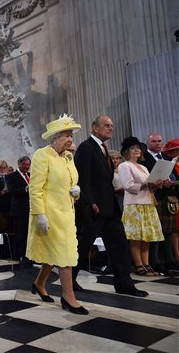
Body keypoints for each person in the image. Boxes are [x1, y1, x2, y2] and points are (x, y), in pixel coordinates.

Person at [73, 115, 148, 297]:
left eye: (112, 125)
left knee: (120, 245)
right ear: (95, 127)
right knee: (83, 246)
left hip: (110, 208)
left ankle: (124, 284)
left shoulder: (103, 149)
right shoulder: (86, 147)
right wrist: (90, 202)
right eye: (106, 125)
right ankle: (69, 280)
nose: (110, 128)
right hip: (95, 207)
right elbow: (82, 178)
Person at [27, 115, 88, 315]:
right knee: (65, 255)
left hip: (67, 214)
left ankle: (38, 283)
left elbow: (70, 182)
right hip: (50, 214)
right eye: (65, 135)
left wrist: (76, 191)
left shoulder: (68, 157)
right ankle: (68, 297)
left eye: (71, 135)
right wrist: (39, 215)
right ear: (54, 138)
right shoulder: (42, 155)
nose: (70, 139)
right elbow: (35, 189)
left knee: (55, 254)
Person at [117, 136, 164, 276]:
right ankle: (138, 264)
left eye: (138, 148)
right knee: (136, 236)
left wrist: (156, 185)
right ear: (126, 151)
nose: (137, 150)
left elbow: (149, 185)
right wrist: (146, 185)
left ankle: (146, 263)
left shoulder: (143, 167)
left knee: (146, 236)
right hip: (134, 204)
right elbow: (128, 185)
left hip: (148, 202)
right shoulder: (124, 165)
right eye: (133, 148)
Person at [143, 133, 179, 273]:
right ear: (148, 143)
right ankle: (155, 260)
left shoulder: (168, 158)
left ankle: (169, 259)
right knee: (155, 230)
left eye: (159, 141)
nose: (157, 144)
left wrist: (171, 182)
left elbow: (174, 175)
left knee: (169, 230)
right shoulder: (144, 158)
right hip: (153, 196)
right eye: (154, 141)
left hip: (169, 196)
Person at [6, 156, 32, 266]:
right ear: (19, 164)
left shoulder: (30, 176)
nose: (26, 167)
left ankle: (30, 255)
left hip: (31, 209)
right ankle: (21, 255)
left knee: (29, 234)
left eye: (28, 165)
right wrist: (26, 189)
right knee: (21, 234)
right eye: (24, 164)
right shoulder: (11, 176)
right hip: (19, 210)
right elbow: (12, 192)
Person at [162, 139, 179, 264]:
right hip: (173, 197)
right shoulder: (171, 164)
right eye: (176, 150)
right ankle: (176, 255)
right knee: (174, 229)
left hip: (174, 195)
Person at [0, 160, 13, 239]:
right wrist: (1, 193)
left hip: (9, 206)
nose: (3, 169)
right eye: (1, 168)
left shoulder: (9, 177)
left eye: (5, 167)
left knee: (8, 229)